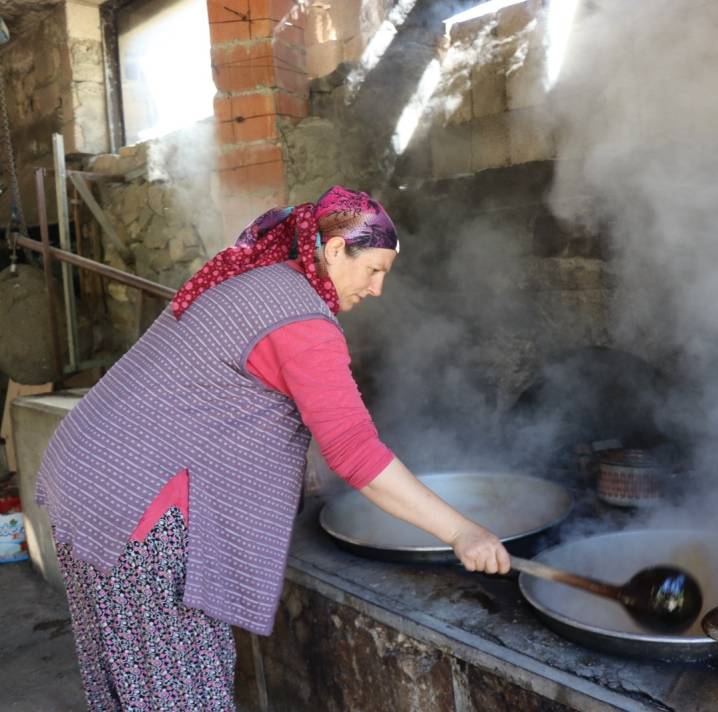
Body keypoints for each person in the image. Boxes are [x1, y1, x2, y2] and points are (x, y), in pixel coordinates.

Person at [35, 186, 511, 711]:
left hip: (84, 485)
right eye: (375, 270)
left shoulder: (264, 282)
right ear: (334, 252)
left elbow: (227, 403)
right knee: (182, 694)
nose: (378, 289)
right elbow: (355, 453)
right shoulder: (302, 319)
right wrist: (461, 531)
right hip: (137, 515)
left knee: (132, 688)